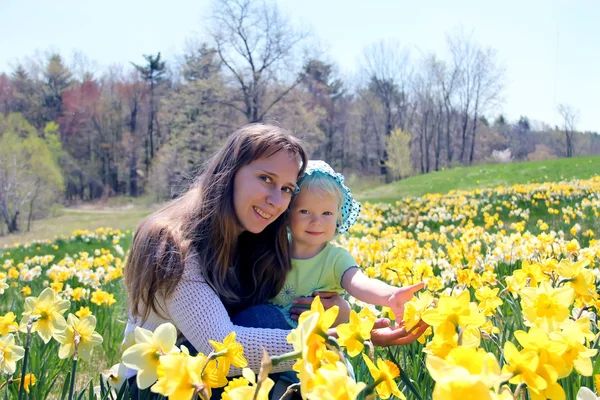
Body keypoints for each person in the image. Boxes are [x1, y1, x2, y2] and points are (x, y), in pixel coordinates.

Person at [122, 124, 427, 396]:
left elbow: (298, 302)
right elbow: (220, 343)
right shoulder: (171, 243)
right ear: (229, 171)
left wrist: (352, 323)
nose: (276, 200)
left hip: (209, 377)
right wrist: (330, 340)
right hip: (159, 385)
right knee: (264, 319)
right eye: (265, 179)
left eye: (286, 189)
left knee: (268, 318)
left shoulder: (256, 238)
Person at [233, 160, 425, 331]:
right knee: (252, 317)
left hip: (318, 342)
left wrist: (389, 295)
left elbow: (359, 283)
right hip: (274, 336)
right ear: (287, 214)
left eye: (327, 213)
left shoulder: (336, 259)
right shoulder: (275, 248)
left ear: (338, 217)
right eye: (305, 211)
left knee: (254, 318)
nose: (317, 221)